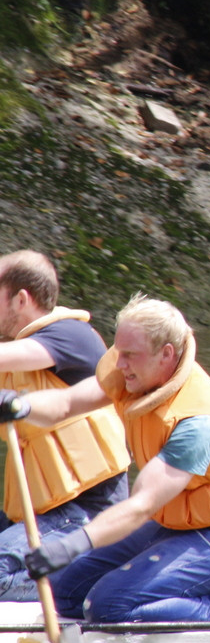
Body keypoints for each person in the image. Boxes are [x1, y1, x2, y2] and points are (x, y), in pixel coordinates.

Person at [0, 293, 210, 643]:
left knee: (109, 606)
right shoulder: (132, 374)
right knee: (65, 593)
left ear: (166, 354)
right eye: (118, 350)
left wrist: (70, 544)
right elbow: (65, 405)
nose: (120, 363)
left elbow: (141, 505)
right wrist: (19, 404)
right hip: (176, 517)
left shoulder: (199, 423)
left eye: (130, 355)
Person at [0, 250, 130, 602]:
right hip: (45, 507)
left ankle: (102, 589)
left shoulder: (72, 336)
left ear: (21, 298)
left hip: (86, 508)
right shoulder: (21, 352)